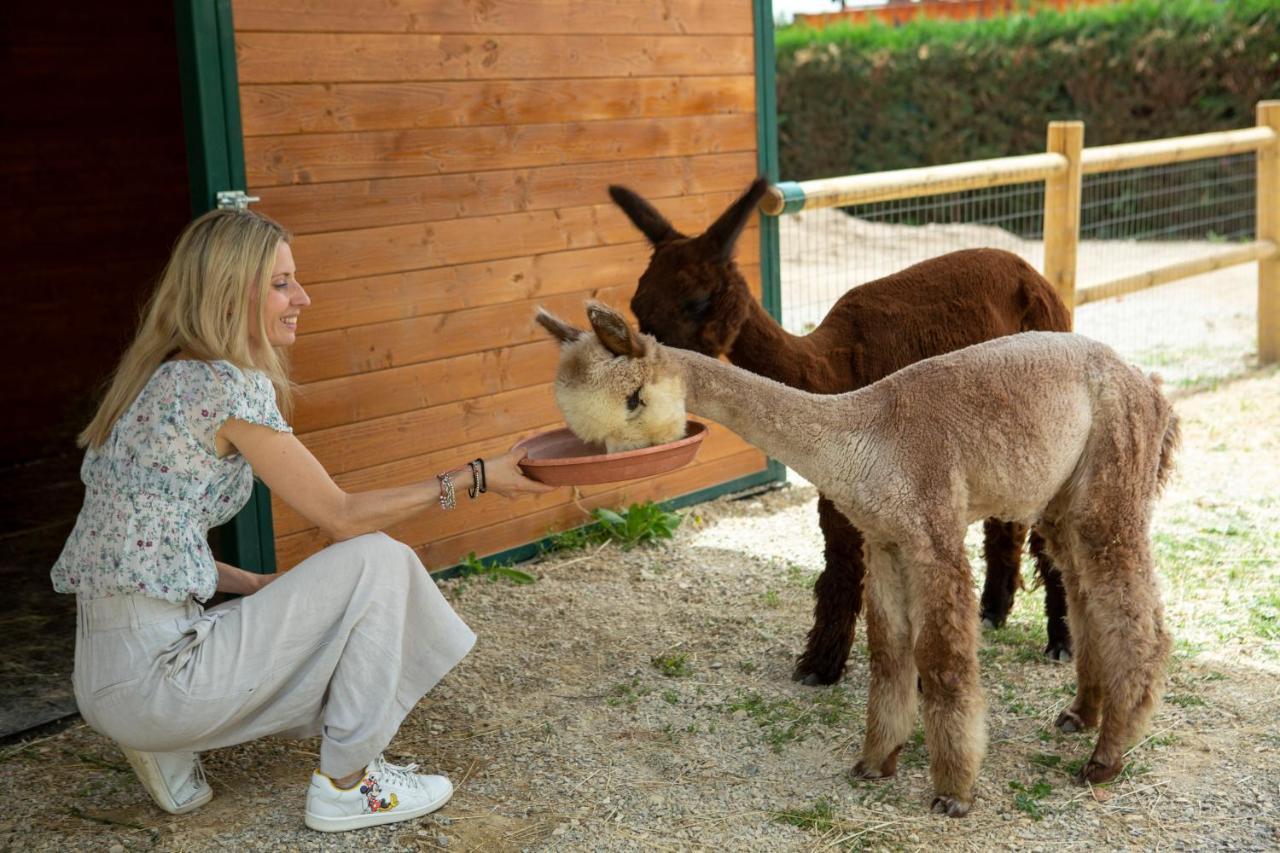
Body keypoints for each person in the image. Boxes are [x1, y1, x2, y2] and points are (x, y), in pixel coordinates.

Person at [51, 208, 556, 832]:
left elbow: (139, 549)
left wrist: (259, 589)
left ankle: (160, 741)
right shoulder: (226, 387)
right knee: (379, 558)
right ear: (232, 291)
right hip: (158, 683)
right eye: (282, 282)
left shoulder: (152, 383)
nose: (302, 298)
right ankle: (348, 783)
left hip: (105, 676)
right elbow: (341, 516)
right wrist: (477, 476)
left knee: (329, 598)